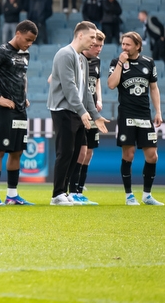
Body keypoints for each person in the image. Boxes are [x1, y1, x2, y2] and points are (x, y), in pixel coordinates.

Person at [46, 21, 108, 206]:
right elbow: (69, 87)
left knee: (76, 153)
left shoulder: (81, 58)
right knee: (65, 152)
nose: (94, 41)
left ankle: (66, 192)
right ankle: (57, 194)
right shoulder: (65, 54)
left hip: (76, 111)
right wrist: (83, 112)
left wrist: (95, 116)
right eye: (91, 37)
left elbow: (85, 90)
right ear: (80, 35)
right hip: (63, 110)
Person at [0, 20, 38, 206]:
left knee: (18, 152)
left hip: (20, 109)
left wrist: (24, 96)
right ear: (18, 33)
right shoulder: (1, 52)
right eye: (27, 39)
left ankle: (12, 195)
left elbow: (23, 76)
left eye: (32, 41)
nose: (29, 43)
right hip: (4, 110)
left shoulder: (25, 54)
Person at [108, 31, 164, 206]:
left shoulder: (148, 62)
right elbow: (111, 85)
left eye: (128, 44)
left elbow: (154, 88)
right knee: (129, 154)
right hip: (127, 115)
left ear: (138, 46)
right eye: (123, 44)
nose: (124, 47)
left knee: (152, 156)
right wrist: (120, 64)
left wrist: (158, 111)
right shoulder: (116, 62)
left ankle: (147, 195)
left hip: (144, 115)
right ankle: (129, 195)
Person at [67, 30, 106, 204]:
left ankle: (79, 190)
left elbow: (96, 81)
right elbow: (54, 79)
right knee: (78, 151)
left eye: (100, 46)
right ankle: (71, 188)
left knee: (88, 152)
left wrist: (100, 99)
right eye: (95, 45)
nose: (98, 49)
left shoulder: (97, 62)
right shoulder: (75, 58)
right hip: (78, 111)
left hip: (92, 110)